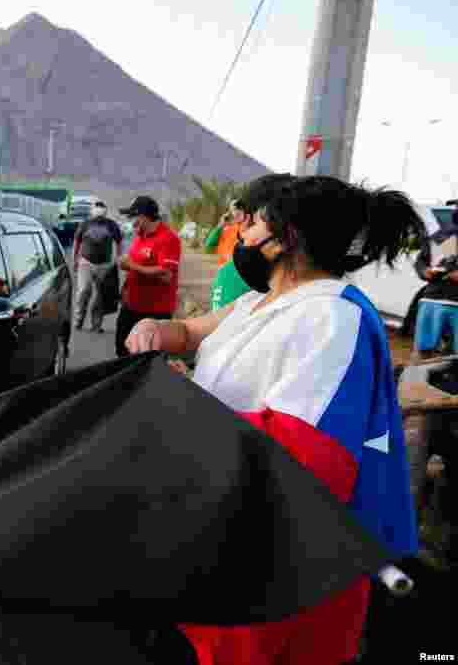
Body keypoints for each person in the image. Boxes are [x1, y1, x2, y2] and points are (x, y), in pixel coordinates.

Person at [125, 175, 422, 665]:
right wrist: (156, 328)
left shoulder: (332, 318)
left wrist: (178, 402)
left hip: (277, 562)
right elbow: (189, 330)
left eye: (253, 223)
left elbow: (304, 452)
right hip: (224, 520)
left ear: (286, 237)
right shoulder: (258, 302)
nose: (241, 234)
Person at [209, 174, 295, 312]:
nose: (245, 235)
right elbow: (209, 244)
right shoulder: (230, 271)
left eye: (238, 213)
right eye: (233, 214)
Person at [114, 196, 181, 357]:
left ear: (143, 216)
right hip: (131, 307)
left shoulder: (169, 239)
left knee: (149, 359)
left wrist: (132, 266)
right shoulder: (139, 237)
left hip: (154, 313)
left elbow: (166, 275)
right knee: (122, 351)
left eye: (133, 217)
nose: (131, 221)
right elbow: (135, 266)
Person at [411, 208, 458, 362]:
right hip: (431, 300)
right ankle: (416, 383)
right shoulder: (438, 236)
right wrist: (425, 271)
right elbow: (420, 262)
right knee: (423, 352)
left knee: (453, 358)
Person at [71, 201, 123, 332]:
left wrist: (118, 258)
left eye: (102, 212)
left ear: (105, 213)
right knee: (84, 290)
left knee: (100, 296)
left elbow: (119, 241)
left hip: (104, 265)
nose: (99, 215)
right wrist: (75, 259)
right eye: (97, 212)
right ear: (93, 212)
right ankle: (78, 319)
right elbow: (77, 241)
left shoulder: (111, 225)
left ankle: (96, 325)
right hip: (86, 263)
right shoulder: (85, 224)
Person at [204, 201, 245, 268]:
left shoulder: (245, 229)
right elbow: (209, 244)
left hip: (238, 270)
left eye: (239, 209)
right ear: (230, 212)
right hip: (223, 268)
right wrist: (220, 225)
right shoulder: (223, 229)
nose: (237, 212)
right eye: (234, 209)